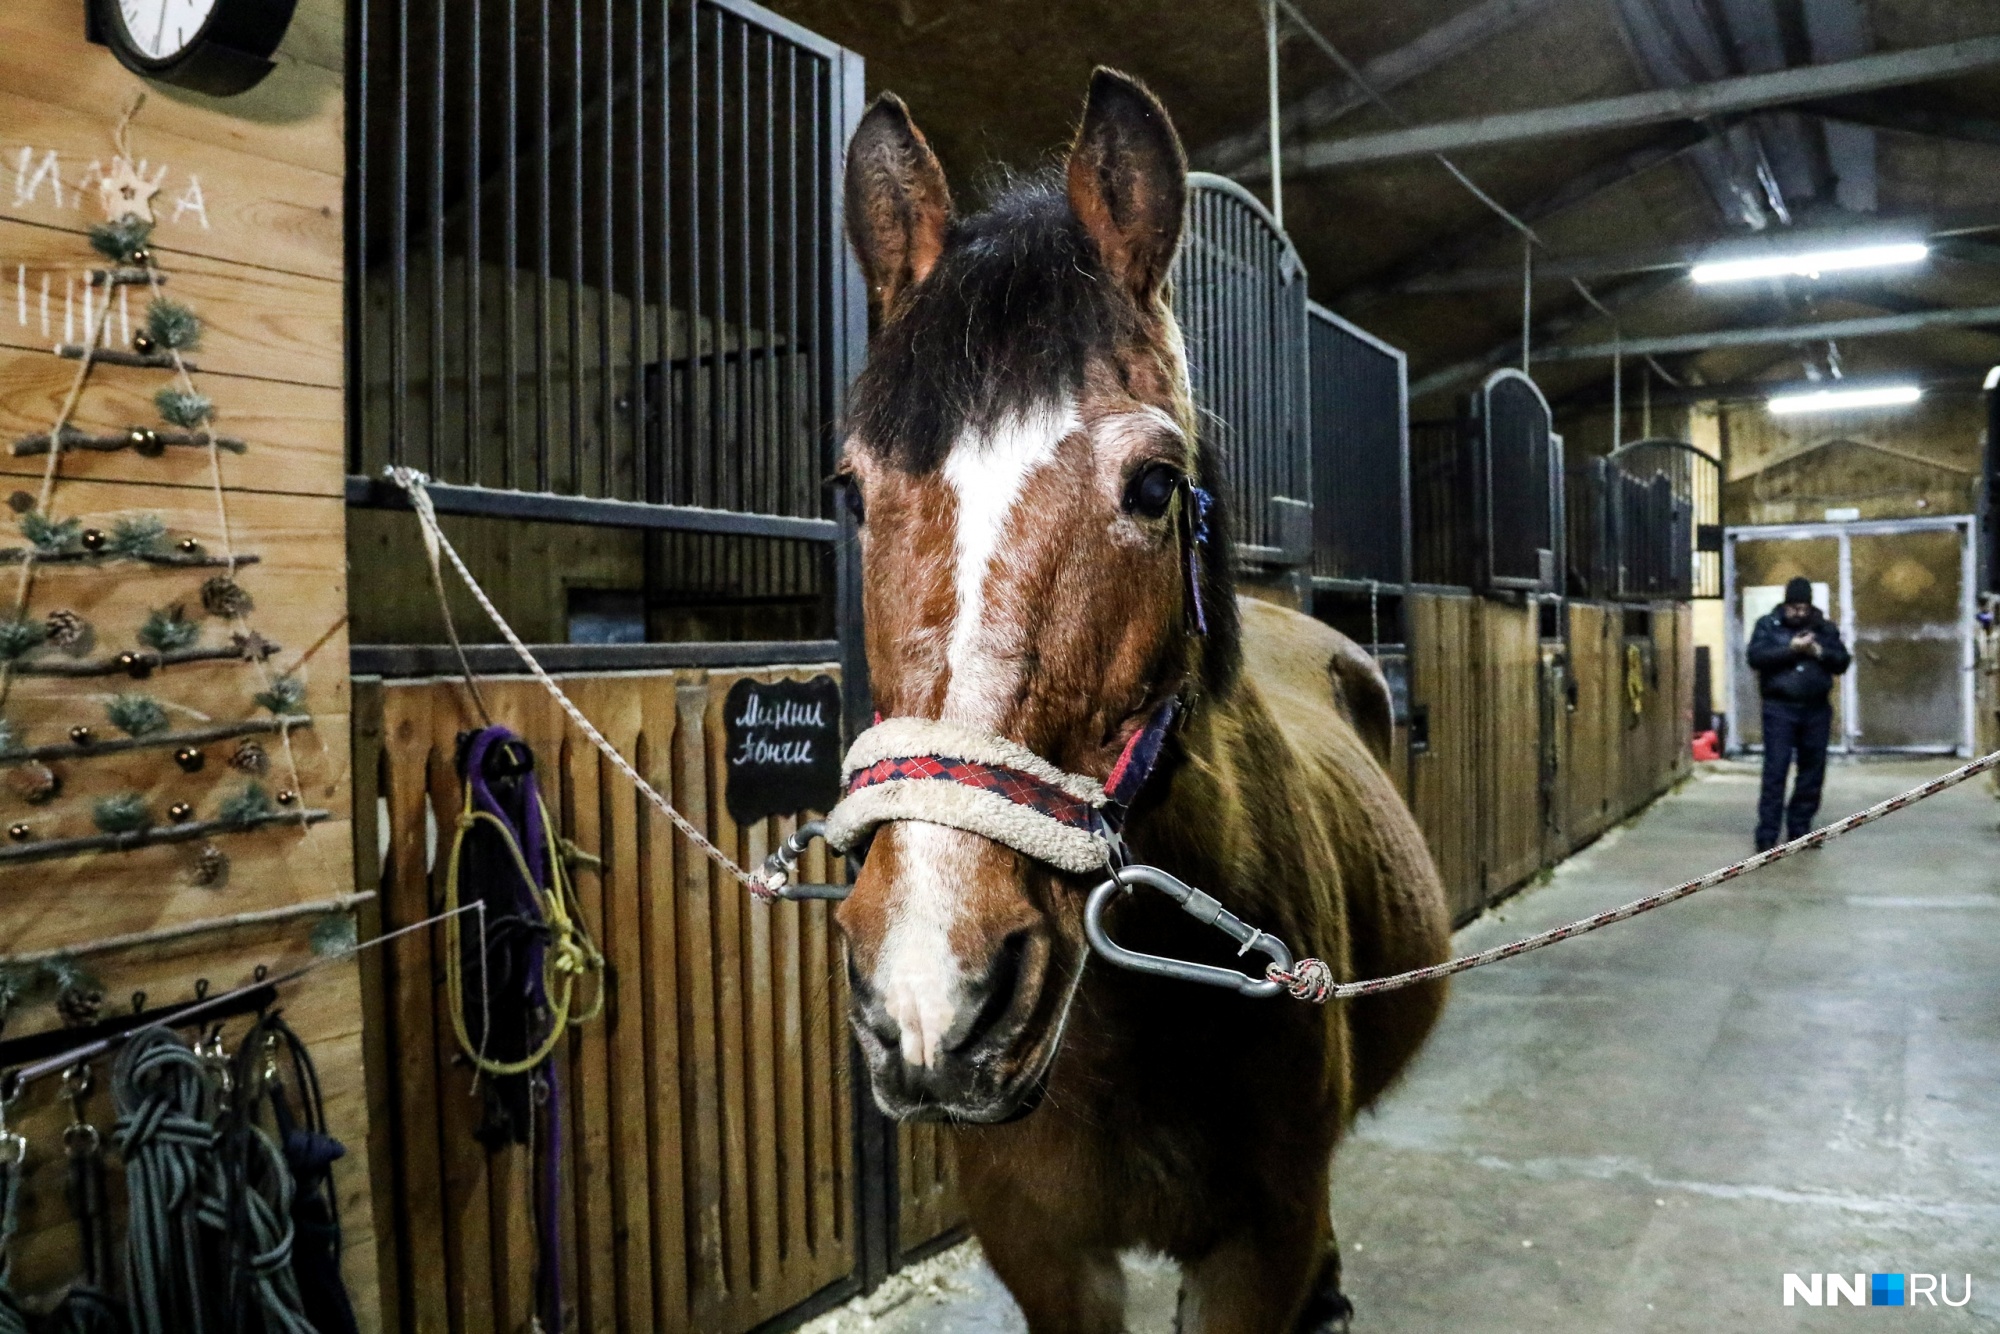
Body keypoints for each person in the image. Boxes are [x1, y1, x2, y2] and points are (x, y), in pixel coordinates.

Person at [1745, 576, 1851, 851]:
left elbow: (1842, 661)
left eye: (1803, 608)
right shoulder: (1768, 625)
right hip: (1779, 708)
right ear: (1786, 604)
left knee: (1812, 771)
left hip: (1815, 709)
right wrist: (1791, 649)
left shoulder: (1824, 628)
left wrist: (1818, 651)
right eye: (1794, 608)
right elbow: (1756, 657)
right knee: (1775, 770)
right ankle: (1768, 833)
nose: (1799, 613)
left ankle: (1800, 828)